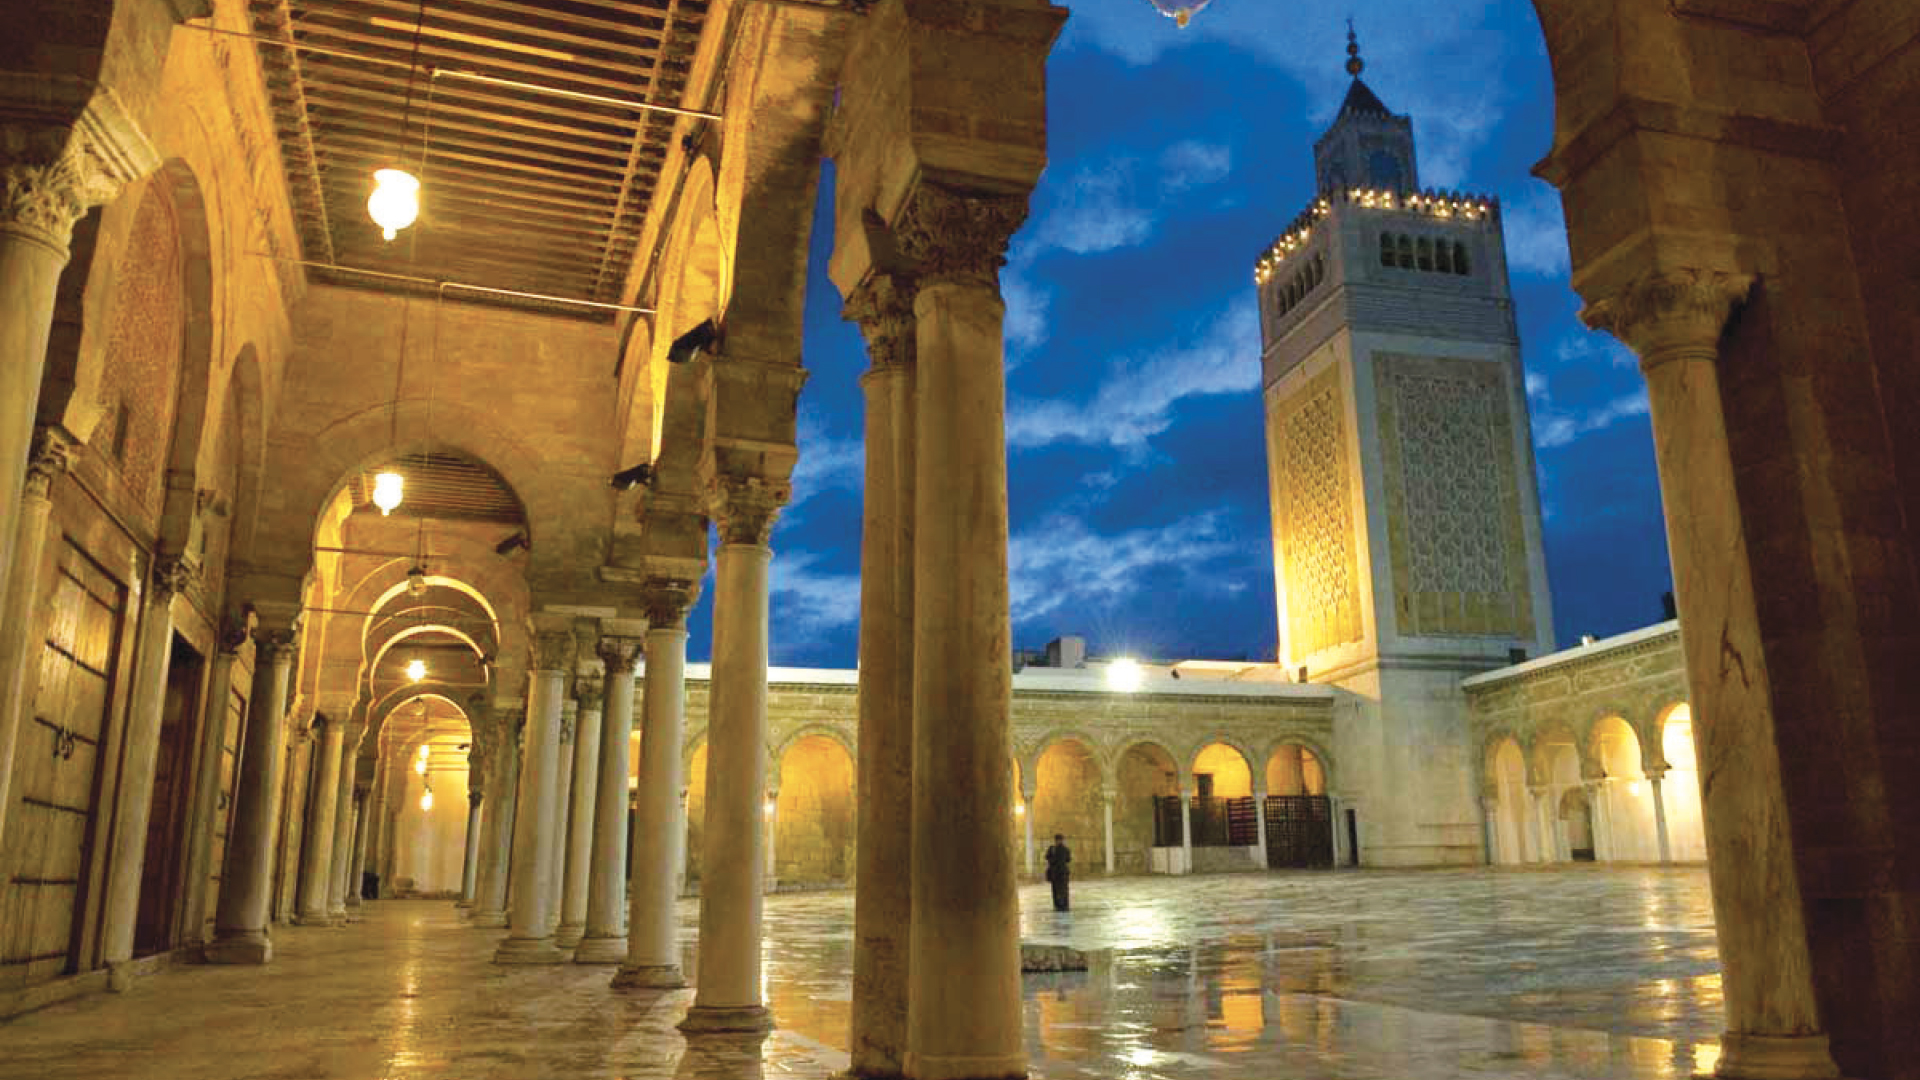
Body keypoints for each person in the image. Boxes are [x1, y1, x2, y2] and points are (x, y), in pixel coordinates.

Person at [1044, 833, 1072, 912]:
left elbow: (1047, 857)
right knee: (1064, 889)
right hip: (1063, 872)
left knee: (1055, 890)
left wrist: (1052, 860)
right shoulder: (1066, 849)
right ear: (1062, 840)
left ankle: (1058, 906)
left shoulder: (1052, 849)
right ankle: (1065, 906)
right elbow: (1068, 859)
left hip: (1055, 873)